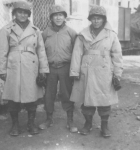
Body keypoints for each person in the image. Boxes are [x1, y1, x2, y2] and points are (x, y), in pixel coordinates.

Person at [70, 5, 123, 138]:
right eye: (93, 18)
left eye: (99, 18)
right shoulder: (83, 34)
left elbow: (117, 55)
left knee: (104, 100)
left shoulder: (111, 35)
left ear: (103, 19)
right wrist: (74, 72)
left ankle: (104, 127)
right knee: (87, 101)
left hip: (104, 72)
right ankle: (88, 124)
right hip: (86, 71)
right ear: (90, 19)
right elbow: (77, 53)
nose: (96, 21)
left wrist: (117, 74)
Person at [0, 1, 49, 136]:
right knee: (13, 97)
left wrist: (43, 69)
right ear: (14, 13)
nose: (22, 15)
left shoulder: (36, 30)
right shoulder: (6, 30)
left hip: (31, 67)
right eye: (20, 12)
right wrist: (2, 70)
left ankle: (31, 124)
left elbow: (41, 51)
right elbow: (2, 51)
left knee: (32, 97)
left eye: (25, 13)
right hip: (14, 67)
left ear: (29, 15)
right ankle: (15, 125)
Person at [39, 5, 78, 133]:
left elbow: (76, 52)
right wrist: (43, 69)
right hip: (50, 68)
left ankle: (70, 120)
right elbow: (41, 51)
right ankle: (49, 119)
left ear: (64, 17)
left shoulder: (71, 32)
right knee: (49, 94)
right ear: (51, 18)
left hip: (65, 67)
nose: (58, 17)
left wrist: (74, 70)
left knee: (66, 93)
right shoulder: (45, 33)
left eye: (61, 15)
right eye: (55, 15)